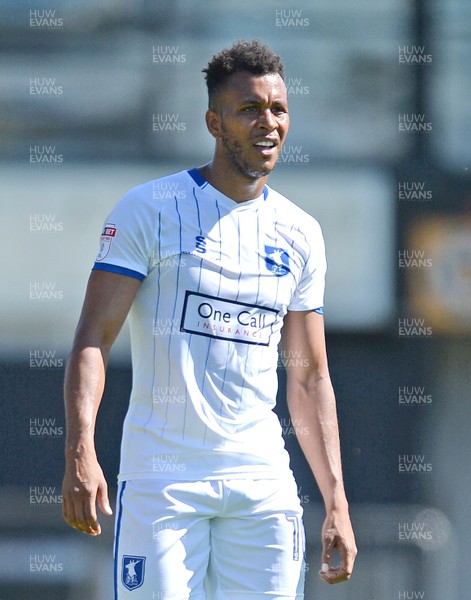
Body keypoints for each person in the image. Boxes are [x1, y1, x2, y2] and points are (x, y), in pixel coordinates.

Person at [62, 39, 357, 599]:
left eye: (279, 109)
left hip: (262, 483)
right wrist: (81, 450)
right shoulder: (149, 208)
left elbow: (309, 376)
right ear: (214, 122)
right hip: (163, 484)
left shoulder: (302, 233)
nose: (268, 123)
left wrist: (337, 502)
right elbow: (93, 339)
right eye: (250, 109)